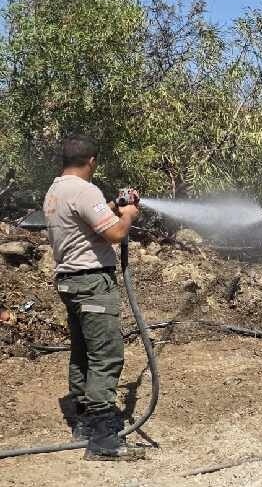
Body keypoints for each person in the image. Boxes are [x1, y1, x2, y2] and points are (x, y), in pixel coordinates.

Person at [43, 135, 144, 461]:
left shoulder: (56, 190)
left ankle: (84, 420)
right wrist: (128, 214)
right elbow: (115, 233)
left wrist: (115, 206)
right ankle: (103, 437)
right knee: (106, 354)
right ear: (92, 161)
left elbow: (85, 222)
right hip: (91, 283)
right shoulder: (85, 190)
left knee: (83, 352)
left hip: (70, 282)